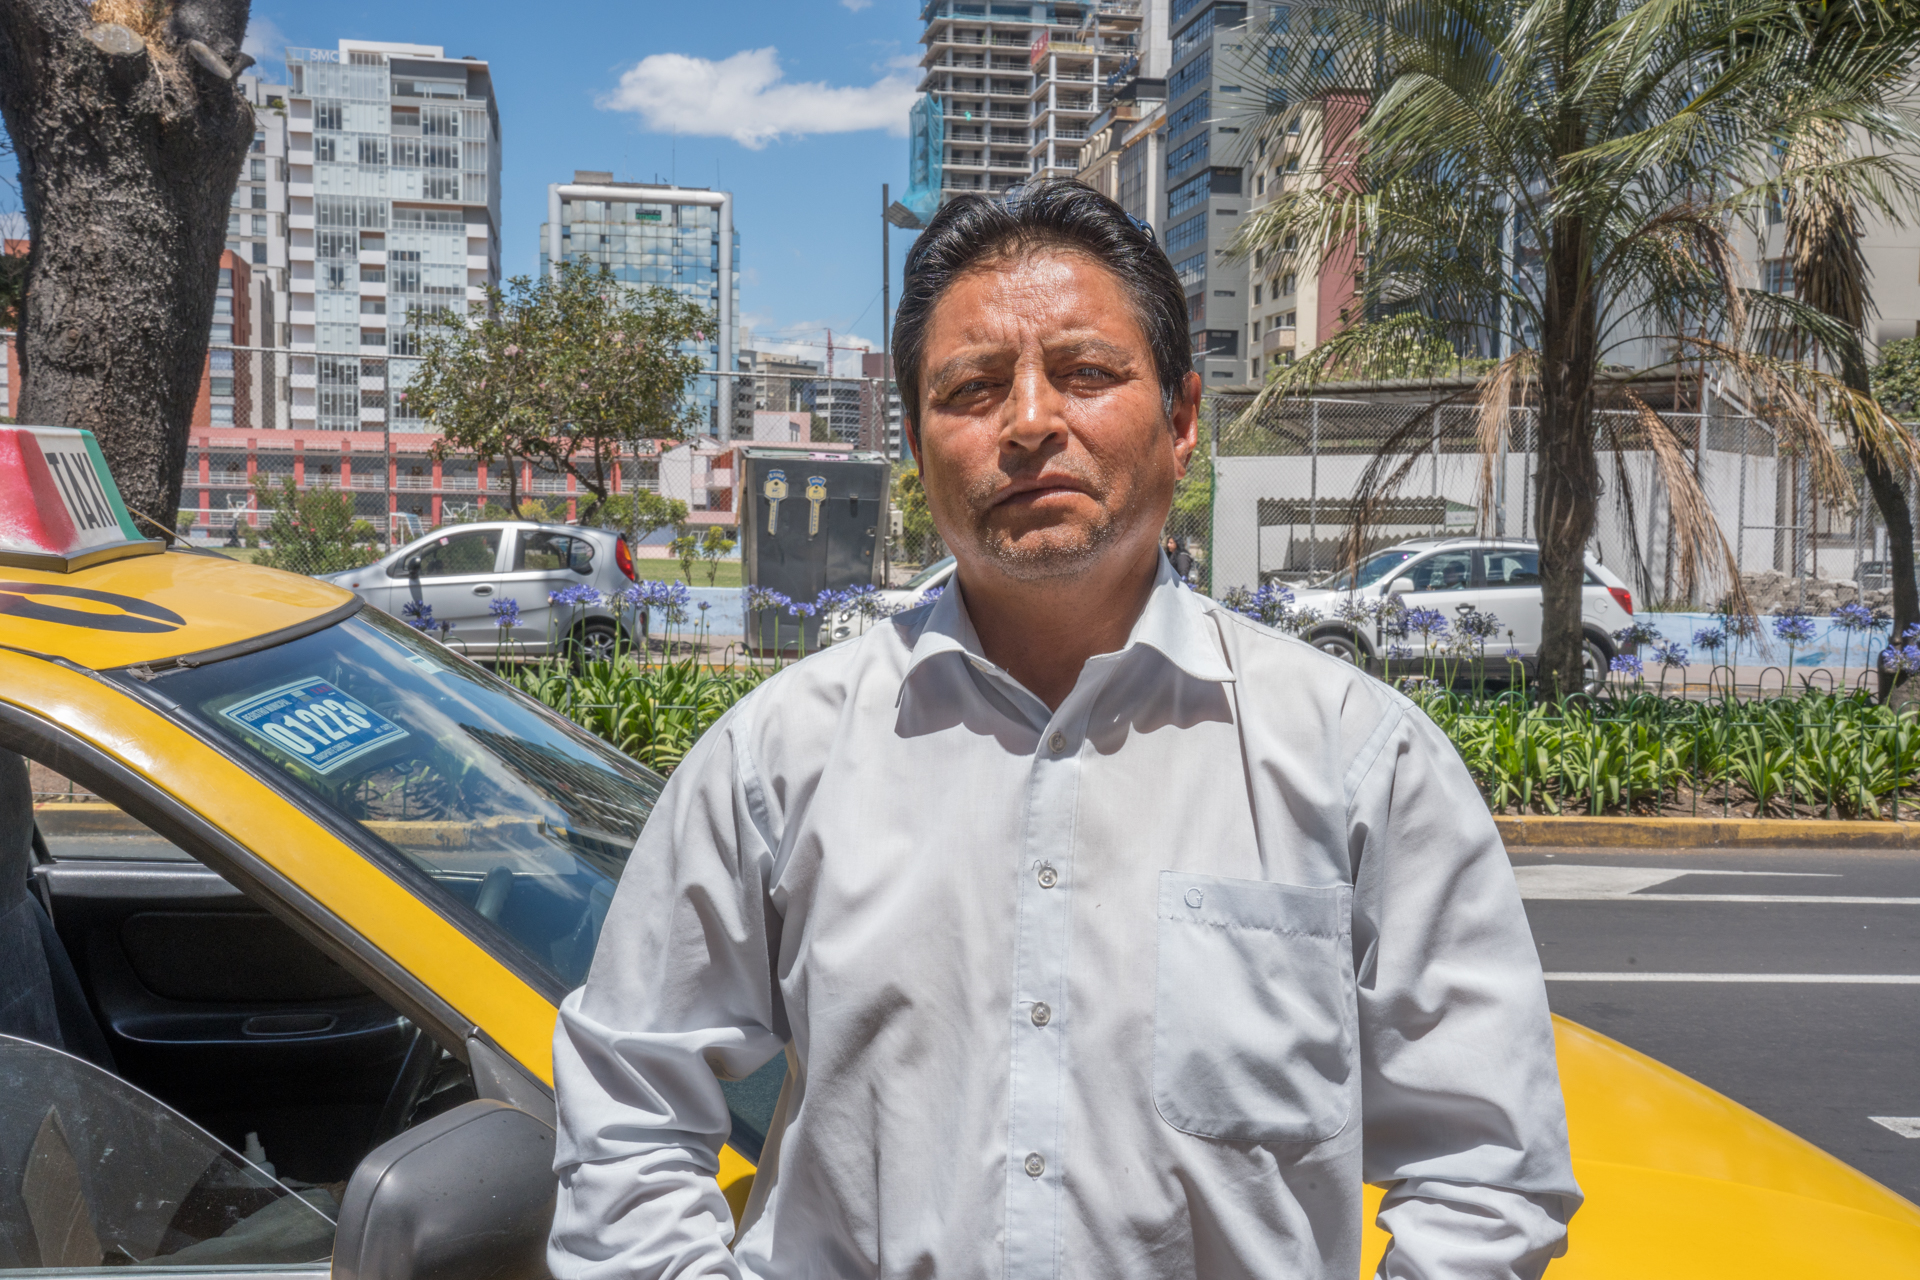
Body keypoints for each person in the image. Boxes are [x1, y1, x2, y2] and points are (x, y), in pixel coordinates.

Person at [549, 180, 1579, 1280]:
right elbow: (629, 1104)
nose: (1032, 420)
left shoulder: (1356, 759)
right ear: (917, 439)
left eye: (1087, 373)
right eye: (973, 387)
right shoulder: (776, 761)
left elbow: (1487, 1166)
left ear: (1183, 420)